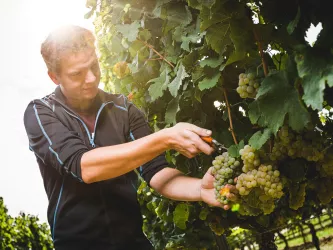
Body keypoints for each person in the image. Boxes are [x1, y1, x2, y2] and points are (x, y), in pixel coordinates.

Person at [23, 25, 235, 250]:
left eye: (94, 65)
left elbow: (156, 171)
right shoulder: (41, 112)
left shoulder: (123, 108)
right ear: (54, 77)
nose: (92, 78)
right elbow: (84, 166)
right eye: (77, 74)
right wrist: (164, 139)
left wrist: (200, 189)